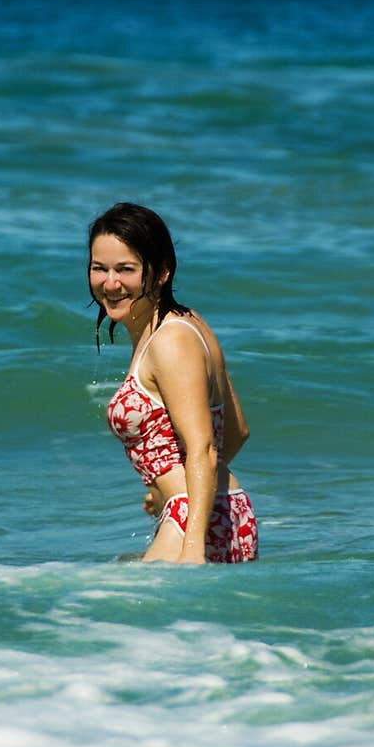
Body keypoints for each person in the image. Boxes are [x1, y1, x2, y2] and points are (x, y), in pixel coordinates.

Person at [88, 202, 258, 564]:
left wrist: (193, 546)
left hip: (193, 521)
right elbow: (237, 430)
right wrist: (170, 487)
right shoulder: (189, 323)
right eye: (99, 268)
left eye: (126, 270)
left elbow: (204, 448)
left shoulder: (170, 341)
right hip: (218, 511)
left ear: (161, 272)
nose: (110, 283)